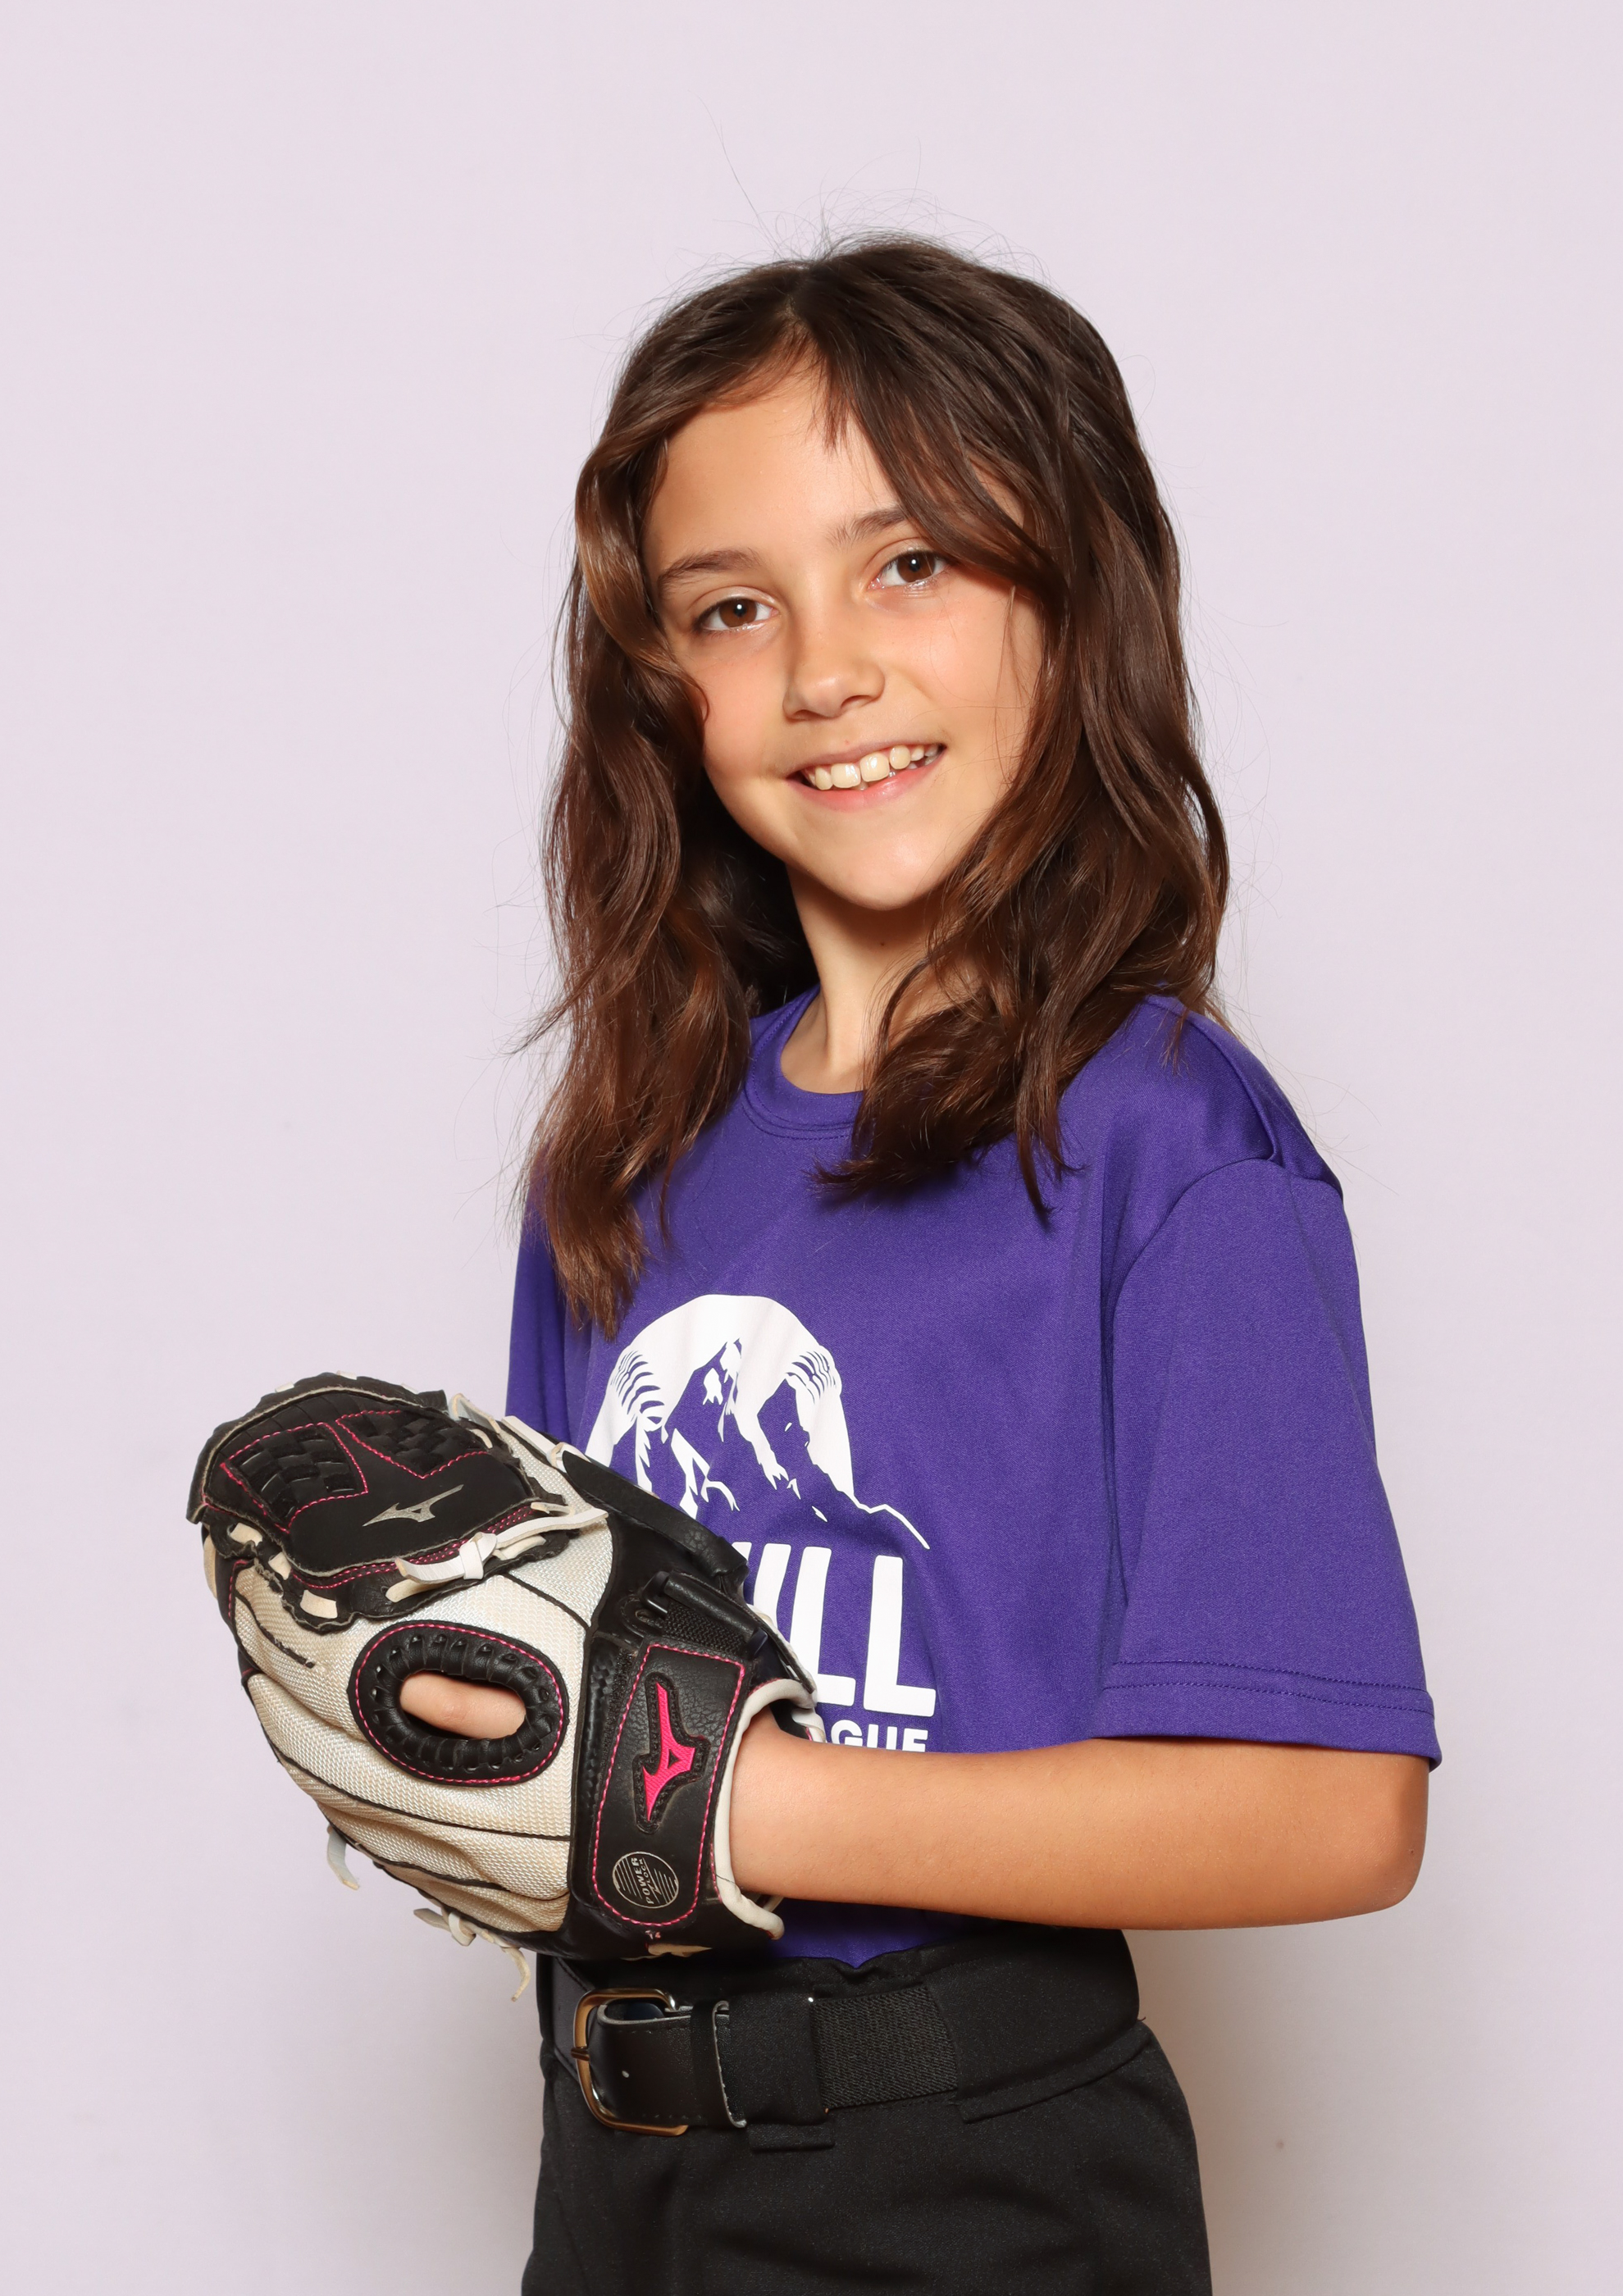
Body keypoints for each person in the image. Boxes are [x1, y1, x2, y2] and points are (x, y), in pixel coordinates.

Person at [401, 238, 1438, 2294]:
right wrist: (436, 1725)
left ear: (1075, 598)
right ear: (659, 684)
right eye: (731, 606)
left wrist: (736, 1802)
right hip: (613, 2165)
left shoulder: (1165, 1141)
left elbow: (1331, 1806)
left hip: (964, 2179)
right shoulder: (630, 1158)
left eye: (910, 564)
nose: (825, 671)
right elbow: (579, 1707)